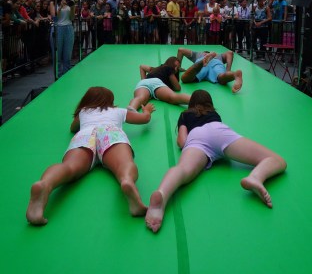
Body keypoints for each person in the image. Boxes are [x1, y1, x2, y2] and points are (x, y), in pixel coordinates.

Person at [145, 89, 287, 233]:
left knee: (183, 170)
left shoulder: (185, 114)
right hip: (219, 132)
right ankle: (256, 177)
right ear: (210, 104)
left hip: (197, 136)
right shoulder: (214, 114)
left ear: (191, 103)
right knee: (276, 159)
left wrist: (190, 146)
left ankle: (162, 195)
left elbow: (182, 141)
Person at [26, 86, 155, 225]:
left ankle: (45, 184)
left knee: (69, 167)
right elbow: (144, 119)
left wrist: (81, 118)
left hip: (85, 135)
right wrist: (147, 111)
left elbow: (72, 128)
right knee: (124, 163)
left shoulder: (83, 112)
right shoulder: (118, 111)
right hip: (111, 133)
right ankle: (127, 180)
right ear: (110, 101)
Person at [177, 48, 243, 94]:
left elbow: (181, 50)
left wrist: (178, 67)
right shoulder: (218, 56)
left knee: (184, 79)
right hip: (216, 62)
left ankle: (202, 62)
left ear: (204, 53)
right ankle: (234, 75)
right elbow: (230, 53)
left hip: (203, 62)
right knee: (221, 78)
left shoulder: (199, 54)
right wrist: (228, 70)